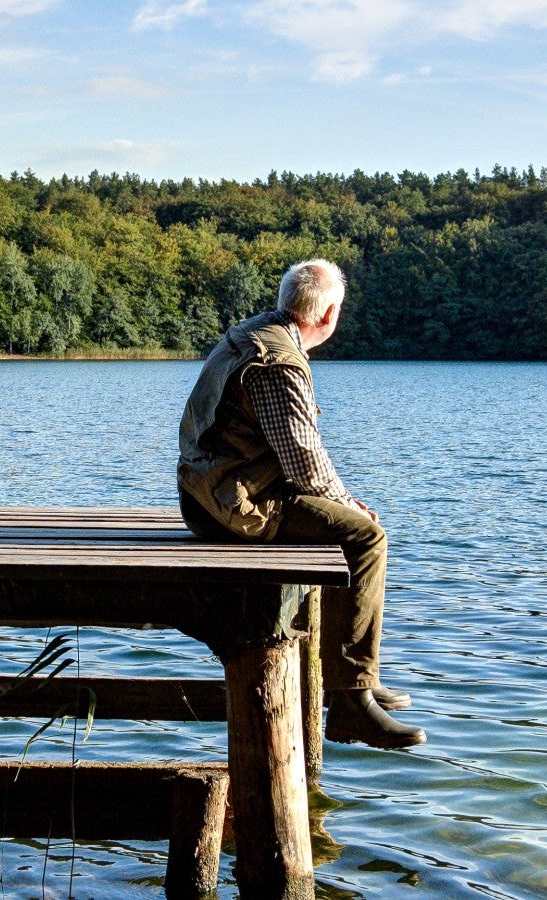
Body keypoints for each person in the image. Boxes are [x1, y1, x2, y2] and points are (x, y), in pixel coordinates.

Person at [177, 258, 425, 749]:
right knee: (365, 537)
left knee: (340, 525)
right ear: (328, 315)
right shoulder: (278, 363)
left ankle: (354, 677)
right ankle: (352, 701)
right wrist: (351, 503)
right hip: (236, 508)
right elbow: (305, 463)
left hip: (208, 492)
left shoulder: (250, 334)